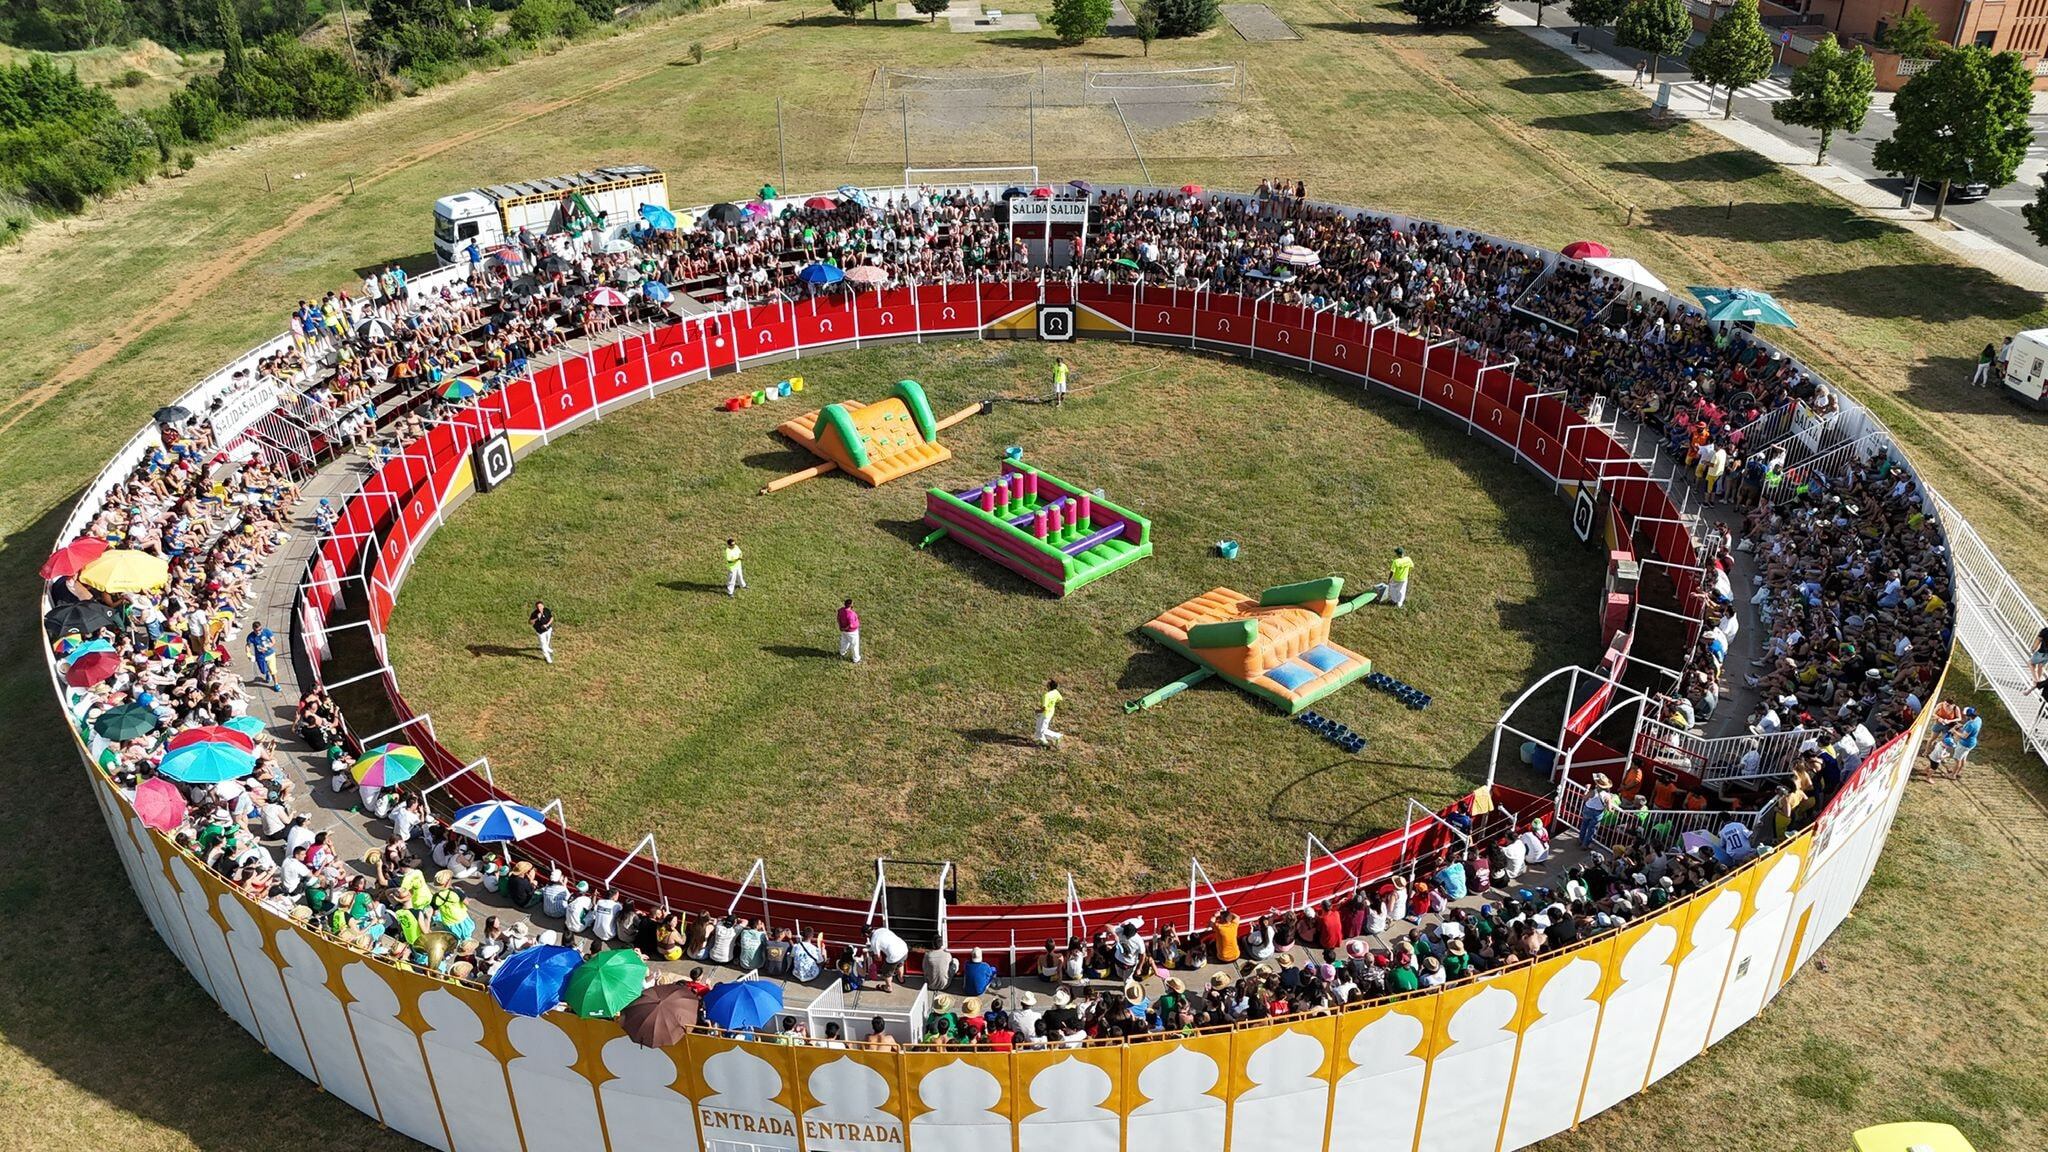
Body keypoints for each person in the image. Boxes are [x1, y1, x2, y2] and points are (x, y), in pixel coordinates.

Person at [246, 624, 279, 688]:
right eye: (256, 630)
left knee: (273, 671)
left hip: (270, 654)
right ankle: (267, 673)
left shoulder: (267, 631)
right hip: (260, 656)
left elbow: (273, 641)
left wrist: (267, 647)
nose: (258, 632)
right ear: (253, 629)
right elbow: (248, 645)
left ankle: (276, 684)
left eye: (260, 630)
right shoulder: (250, 636)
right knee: (263, 671)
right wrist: (248, 654)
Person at [1036, 678, 1063, 746]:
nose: (1046, 683)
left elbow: (1044, 708)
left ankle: (1057, 736)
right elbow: (1060, 699)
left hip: (1045, 714)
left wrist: (1038, 711)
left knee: (1043, 730)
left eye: (1048, 683)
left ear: (1049, 686)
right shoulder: (1056, 692)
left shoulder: (1046, 696)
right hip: (1051, 712)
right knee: (1038, 726)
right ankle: (1042, 740)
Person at [529, 600, 554, 664]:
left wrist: (547, 625)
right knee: (543, 644)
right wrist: (537, 618)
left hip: (548, 629)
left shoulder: (546, 610)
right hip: (540, 632)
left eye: (540, 606)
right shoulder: (534, 613)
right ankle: (547, 657)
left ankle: (547, 647)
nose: (539, 608)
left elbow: (551, 618)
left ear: (543, 606)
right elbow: (530, 622)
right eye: (538, 607)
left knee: (548, 640)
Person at [838, 598, 861, 664]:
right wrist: (845, 628)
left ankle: (842, 653)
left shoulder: (841, 610)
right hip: (852, 632)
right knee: (854, 645)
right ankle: (856, 659)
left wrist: (841, 627)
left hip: (844, 630)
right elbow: (851, 625)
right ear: (850, 605)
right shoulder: (851, 614)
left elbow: (838, 618)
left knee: (844, 642)